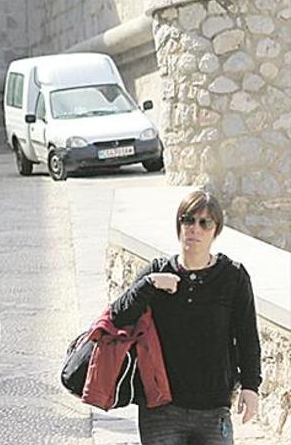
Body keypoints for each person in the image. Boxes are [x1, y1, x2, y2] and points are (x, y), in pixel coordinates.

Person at [110, 190, 261, 444]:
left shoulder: (232, 277)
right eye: (188, 220)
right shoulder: (158, 272)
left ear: (216, 230)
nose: (195, 229)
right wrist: (150, 284)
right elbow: (118, 316)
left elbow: (247, 336)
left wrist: (250, 387)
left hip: (213, 409)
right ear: (179, 225)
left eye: (205, 223)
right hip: (160, 408)